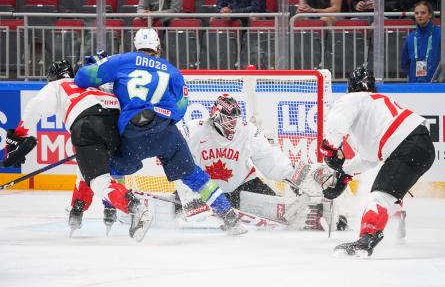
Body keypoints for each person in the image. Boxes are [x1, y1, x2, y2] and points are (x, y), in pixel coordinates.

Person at [74, 28, 247, 235]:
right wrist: (163, 121)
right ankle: (229, 216)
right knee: (193, 175)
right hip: (165, 132)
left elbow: (82, 78)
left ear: (135, 45)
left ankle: (116, 211)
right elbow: (182, 105)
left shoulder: (122, 60)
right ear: (157, 46)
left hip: (131, 134)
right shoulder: (172, 70)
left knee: (109, 172)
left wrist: (97, 65)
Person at [0, 60, 153, 242]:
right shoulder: (90, 84)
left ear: (52, 77)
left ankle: (136, 207)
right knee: (88, 168)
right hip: (115, 122)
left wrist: (17, 137)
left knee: (99, 181)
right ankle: (78, 208)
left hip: (87, 123)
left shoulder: (57, 85)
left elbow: (36, 106)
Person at [178, 94, 342, 231]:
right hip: (207, 190)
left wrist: (295, 176)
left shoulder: (247, 131)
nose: (233, 125)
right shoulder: (194, 131)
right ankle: (180, 206)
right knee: (180, 207)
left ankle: (325, 217)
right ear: (216, 117)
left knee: (280, 210)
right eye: (228, 120)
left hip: (241, 185)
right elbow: (179, 161)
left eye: (234, 120)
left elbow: (269, 159)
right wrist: (189, 196)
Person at [320, 66, 435, 257]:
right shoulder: (377, 104)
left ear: (350, 87)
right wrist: (346, 172)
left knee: (379, 195)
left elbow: (336, 123)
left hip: (406, 146)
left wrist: (330, 149)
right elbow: (370, 157)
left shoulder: (352, 99)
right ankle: (397, 224)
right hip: (421, 146)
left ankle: (367, 239)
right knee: (391, 192)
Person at [401, 1, 441, 83]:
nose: (419, 15)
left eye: (423, 13)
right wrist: (412, 76)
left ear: (430, 15)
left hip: (436, 84)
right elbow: (404, 63)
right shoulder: (411, 37)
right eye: (416, 13)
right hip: (414, 83)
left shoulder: (440, 34)